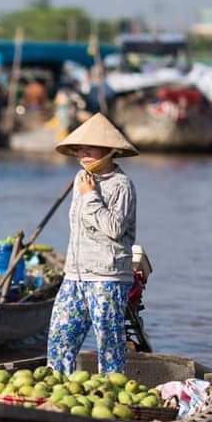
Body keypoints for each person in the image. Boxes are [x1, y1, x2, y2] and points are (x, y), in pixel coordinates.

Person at [48, 113, 139, 376]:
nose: (82, 152)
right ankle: (57, 391)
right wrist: (86, 190)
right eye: (79, 148)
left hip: (107, 276)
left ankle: (111, 391)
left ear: (108, 151)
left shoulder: (121, 185)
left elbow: (114, 228)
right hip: (75, 273)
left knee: (108, 344)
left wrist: (90, 197)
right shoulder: (82, 179)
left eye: (90, 147)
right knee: (60, 338)